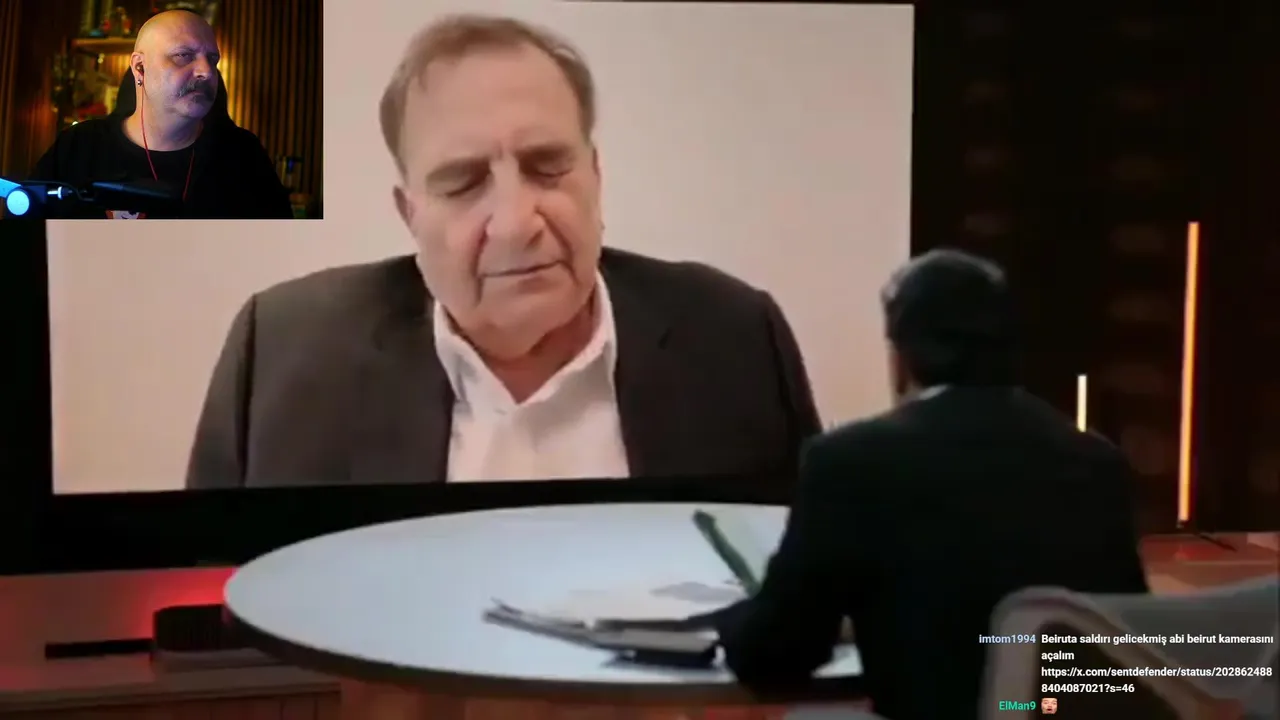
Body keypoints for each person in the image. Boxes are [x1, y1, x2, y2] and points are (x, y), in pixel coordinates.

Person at [185, 14, 821, 488]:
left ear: (595, 176)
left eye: (548, 166)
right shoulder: (281, 357)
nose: (516, 224)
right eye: (463, 183)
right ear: (410, 215)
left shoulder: (736, 338)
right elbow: (205, 594)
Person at [715, 250, 1150, 720]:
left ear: (901, 357)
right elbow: (1124, 636)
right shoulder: (1096, 460)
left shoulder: (850, 460)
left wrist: (733, 619)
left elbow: (779, 653)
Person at [29, 10, 292, 219]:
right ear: (140, 68)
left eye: (212, 59)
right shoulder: (77, 147)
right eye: (183, 55)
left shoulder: (244, 154)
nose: (207, 71)